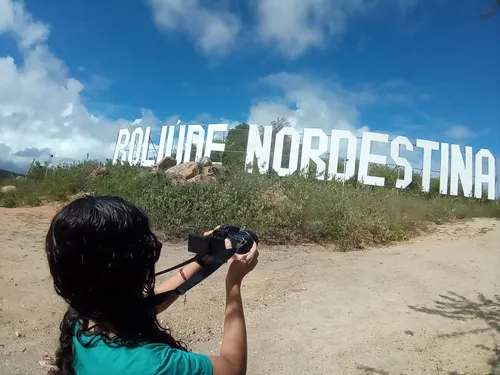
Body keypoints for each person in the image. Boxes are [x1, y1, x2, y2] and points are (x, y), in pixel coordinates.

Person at [44, 195, 259, 375]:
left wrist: (204, 260)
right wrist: (234, 285)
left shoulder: (82, 317)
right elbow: (232, 368)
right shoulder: (153, 364)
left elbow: (148, 302)